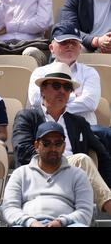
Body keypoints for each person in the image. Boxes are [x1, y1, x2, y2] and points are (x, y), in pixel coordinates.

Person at [12, 62, 111, 215]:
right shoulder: (27, 117)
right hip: (38, 176)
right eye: (57, 86)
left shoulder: (78, 122)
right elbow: (22, 150)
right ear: (43, 89)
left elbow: (102, 154)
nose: (62, 91)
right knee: (82, 160)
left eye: (67, 88)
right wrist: (58, 160)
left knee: (84, 160)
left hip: (73, 180)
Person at [28, 22, 111, 155]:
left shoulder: (90, 72)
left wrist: (54, 103)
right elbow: (36, 101)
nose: (70, 45)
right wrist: (73, 96)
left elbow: (90, 103)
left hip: (84, 134)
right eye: (64, 42)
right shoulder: (39, 72)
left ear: (80, 47)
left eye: (74, 42)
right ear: (51, 48)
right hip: (47, 132)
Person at [3, 121, 93, 227]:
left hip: (67, 224)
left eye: (58, 143)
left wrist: (60, 222)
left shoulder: (78, 175)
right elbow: (9, 207)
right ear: (36, 146)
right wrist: (31, 222)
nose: (53, 148)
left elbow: (85, 211)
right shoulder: (20, 173)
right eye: (46, 143)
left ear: (64, 147)